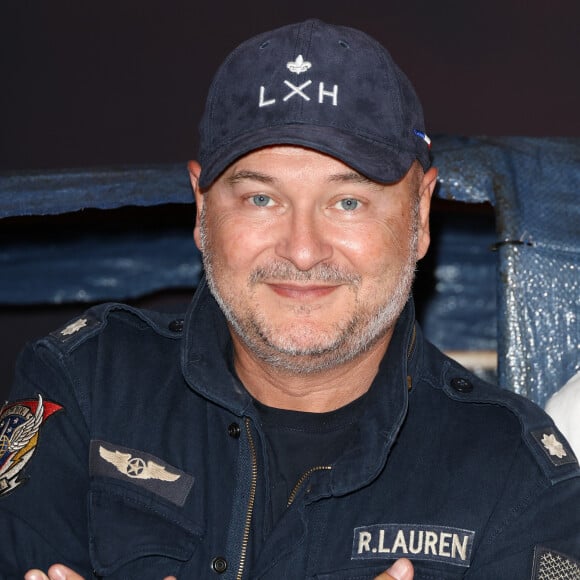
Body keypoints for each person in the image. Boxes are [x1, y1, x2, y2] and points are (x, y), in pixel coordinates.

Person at [1, 19, 579, 580]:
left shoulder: (515, 474)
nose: (303, 251)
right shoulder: (84, 383)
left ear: (420, 214)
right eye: (261, 199)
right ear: (203, 211)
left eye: (348, 202)